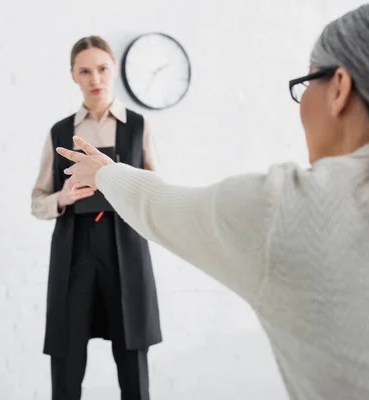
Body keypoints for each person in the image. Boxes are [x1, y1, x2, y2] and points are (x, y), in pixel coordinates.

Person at [55, 5, 369, 400]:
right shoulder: (59, 131)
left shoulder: (284, 208)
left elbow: (164, 206)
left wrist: (103, 171)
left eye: (307, 84)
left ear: (339, 87)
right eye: (84, 70)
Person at [31, 36, 162, 400]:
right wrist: (63, 196)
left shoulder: (137, 127)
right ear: (73, 75)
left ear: (114, 70)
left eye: (102, 69)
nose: (95, 79)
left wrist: (124, 183)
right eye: (84, 71)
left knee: (133, 358)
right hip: (75, 253)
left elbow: (158, 191)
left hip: (126, 252)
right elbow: (36, 201)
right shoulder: (60, 132)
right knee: (67, 360)